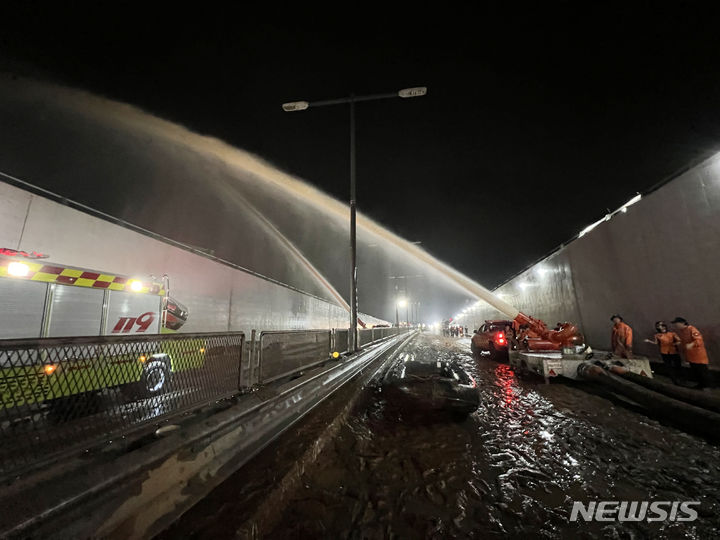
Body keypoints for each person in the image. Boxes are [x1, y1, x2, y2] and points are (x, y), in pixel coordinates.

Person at [672, 317, 711, 390]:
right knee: (696, 371)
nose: (676, 326)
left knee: (702, 371)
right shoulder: (682, 331)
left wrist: (691, 344)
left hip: (698, 355)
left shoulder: (692, 329)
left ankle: (707, 386)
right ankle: (701, 385)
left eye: (677, 324)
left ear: (683, 323)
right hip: (691, 356)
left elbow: (699, 340)